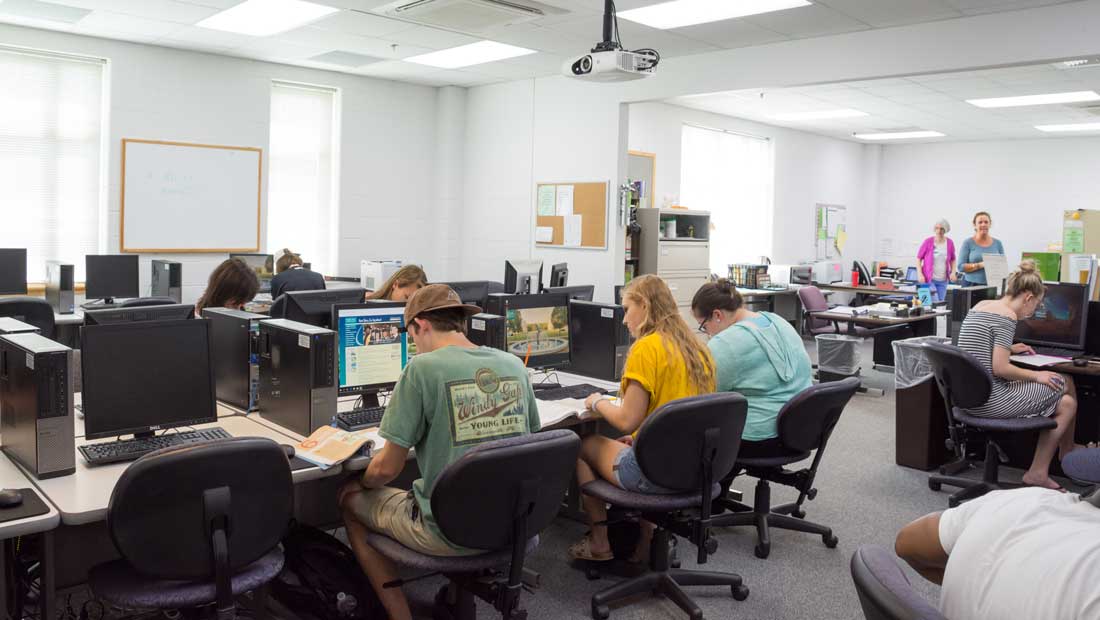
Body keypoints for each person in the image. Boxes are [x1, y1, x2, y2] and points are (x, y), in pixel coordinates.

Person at [338, 284, 541, 620]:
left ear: (421, 324)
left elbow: (387, 468)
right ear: (459, 322)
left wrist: (363, 482)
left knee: (348, 499)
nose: (413, 344)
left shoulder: (421, 369)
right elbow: (531, 441)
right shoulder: (514, 365)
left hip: (448, 531)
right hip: (511, 522)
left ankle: (400, 615)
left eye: (410, 334)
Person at [569, 274, 716, 563]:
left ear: (645, 306)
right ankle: (646, 542)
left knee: (581, 445)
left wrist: (596, 401)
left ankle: (599, 544)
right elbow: (676, 412)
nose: (624, 320)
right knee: (619, 445)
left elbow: (626, 420)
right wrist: (638, 439)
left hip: (655, 473)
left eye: (626, 309)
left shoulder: (647, 349)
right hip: (697, 468)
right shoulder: (697, 348)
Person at [895, 450, 1100, 620]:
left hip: (979, 411)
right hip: (1002, 408)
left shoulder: (1019, 500)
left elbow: (905, 544)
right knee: (1065, 405)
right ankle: (1039, 469)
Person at [956, 260, 1080, 490]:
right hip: (991, 401)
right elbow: (1001, 369)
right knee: (1066, 386)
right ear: (1028, 297)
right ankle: (1061, 456)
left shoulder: (982, 305)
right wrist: (1037, 376)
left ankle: (1044, 467)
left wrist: (1009, 348)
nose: (1033, 312)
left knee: (1065, 400)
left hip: (968, 399)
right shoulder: (1007, 316)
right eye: (1036, 305)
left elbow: (976, 346)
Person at [691, 279, 811, 457]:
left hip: (762, 437)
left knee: (689, 425)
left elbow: (706, 397)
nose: (708, 334)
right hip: (804, 428)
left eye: (704, 326)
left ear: (717, 315)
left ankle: (710, 483)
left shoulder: (725, 343)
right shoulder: (778, 321)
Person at [194, 258, 259, 315]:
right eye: (234, 304)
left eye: (242, 304)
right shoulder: (200, 317)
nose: (238, 310)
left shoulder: (240, 310)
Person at [957, 211, 1005, 286]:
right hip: (971, 285)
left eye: (986, 222)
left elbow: (1002, 267)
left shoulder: (998, 243)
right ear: (974, 225)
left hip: (991, 286)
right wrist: (980, 265)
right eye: (980, 222)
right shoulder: (968, 243)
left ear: (990, 224)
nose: (983, 224)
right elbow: (960, 267)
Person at [916, 219, 956, 302]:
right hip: (928, 279)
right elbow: (918, 258)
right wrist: (920, 274)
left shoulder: (950, 243)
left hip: (943, 280)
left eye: (941, 229)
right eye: (937, 228)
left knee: (940, 305)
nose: (939, 231)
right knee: (929, 303)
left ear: (945, 230)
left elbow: (953, 259)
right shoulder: (928, 242)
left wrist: (953, 272)